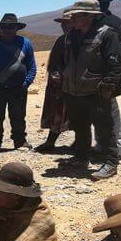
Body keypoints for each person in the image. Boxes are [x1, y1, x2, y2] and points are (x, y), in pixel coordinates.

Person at [60, 0, 121, 180]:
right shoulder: (72, 36)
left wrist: (108, 87)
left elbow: (115, 65)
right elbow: (66, 61)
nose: (73, 18)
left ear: (90, 16)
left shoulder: (107, 35)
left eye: (77, 15)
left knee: (105, 127)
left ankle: (111, 163)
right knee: (80, 127)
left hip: (96, 91)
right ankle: (81, 158)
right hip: (73, 91)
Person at [0, 13, 36, 152]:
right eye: (4, 27)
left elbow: (31, 66)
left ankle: (20, 141)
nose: (7, 29)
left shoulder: (25, 43)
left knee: (18, 117)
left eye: (11, 27)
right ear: (0, 28)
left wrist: (26, 83)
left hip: (18, 88)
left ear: (16, 28)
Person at [84, 0, 121, 160]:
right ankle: (103, 145)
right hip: (103, 73)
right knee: (100, 110)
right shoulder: (116, 22)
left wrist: (110, 78)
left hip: (108, 74)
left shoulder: (108, 25)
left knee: (110, 110)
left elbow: (114, 54)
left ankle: (115, 148)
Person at [35, 12, 73, 152]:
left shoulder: (81, 40)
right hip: (60, 84)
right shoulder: (61, 40)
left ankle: (80, 143)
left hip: (77, 84)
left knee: (79, 114)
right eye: (62, 23)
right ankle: (50, 141)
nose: (63, 26)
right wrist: (55, 77)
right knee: (57, 113)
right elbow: (54, 63)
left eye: (66, 23)